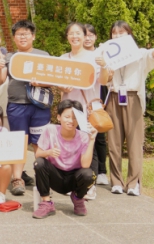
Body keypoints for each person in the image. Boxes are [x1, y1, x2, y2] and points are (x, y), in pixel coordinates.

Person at [104, 20, 154, 196]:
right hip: (114, 97)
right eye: (115, 33)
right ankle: (116, 182)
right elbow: (103, 79)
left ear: (129, 34)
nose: (118, 36)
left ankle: (134, 183)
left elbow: (151, 58)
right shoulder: (107, 53)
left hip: (132, 97)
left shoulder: (139, 53)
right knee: (113, 142)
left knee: (135, 142)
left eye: (122, 32)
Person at [0, 20, 50, 195]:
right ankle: (17, 179)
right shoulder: (10, 57)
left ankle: (44, 179)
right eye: (19, 34)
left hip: (39, 105)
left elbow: (53, 79)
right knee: (19, 142)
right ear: (14, 38)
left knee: (40, 143)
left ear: (33, 36)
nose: (23, 37)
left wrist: (40, 82)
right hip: (17, 104)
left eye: (26, 33)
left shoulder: (44, 55)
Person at [59, 22, 110, 200]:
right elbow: (59, 84)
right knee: (70, 147)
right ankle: (72, 183)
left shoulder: (94, 57)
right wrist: (62, 87)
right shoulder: (63, 58)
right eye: (71, 33)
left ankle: (89, 186)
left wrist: (104, 66)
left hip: (87, 110)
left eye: (78, 33)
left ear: (84, 35)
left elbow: (103, 81)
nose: (75, 36)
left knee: (90, 147)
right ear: (67, 37)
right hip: (69, 110)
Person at [32, 99, 97, 219]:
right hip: (55, 175)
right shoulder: (50, 130)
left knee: (88, 174)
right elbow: (38, 154)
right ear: (58, 117)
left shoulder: (83, 136)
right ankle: (47, 203)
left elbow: (85, 165)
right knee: (39, 163)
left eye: (75, 118)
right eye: (67, 117)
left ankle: (78, 198)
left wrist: (92, 140)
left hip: (73, 177)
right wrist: (49, 152)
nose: (71, 121)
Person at [83, 22, 109, 187]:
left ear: (96, 37)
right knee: (82, 136)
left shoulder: (102, 54)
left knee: (99, 135)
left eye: (91, 35)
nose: (87, 38)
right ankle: (84, 169)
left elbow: (108, 76)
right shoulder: (75, 56)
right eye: (84, 35)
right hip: (81, 99)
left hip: (97, 98)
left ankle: (101, 171)